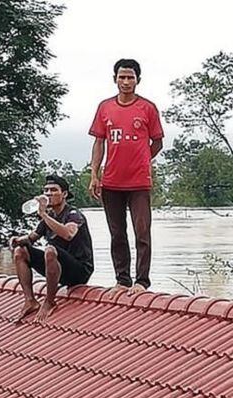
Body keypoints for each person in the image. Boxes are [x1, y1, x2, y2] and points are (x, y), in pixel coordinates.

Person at [88, 58, 164, 294]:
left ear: (137, 80)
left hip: (139, 182)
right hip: (111, 181)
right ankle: (122, 280)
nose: (126, 81)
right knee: (117, 233)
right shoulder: (105, 108)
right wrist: (94, 174)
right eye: (122, 77)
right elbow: (99, 142)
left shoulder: (147, 108)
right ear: (115, 79)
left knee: (142, 231)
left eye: (130, 77)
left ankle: (142, 281)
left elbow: (158, 142)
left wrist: (142, 159)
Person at [9, 175, 95, 322]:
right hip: (56, 266)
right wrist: (17, 240)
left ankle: (49, 301)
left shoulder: (73, 215)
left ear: (64, 194)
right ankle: (30, 300)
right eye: (46, 190)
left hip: (79, 270)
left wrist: (43, 214)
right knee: (20, 252)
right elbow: (32, 238)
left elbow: (68, 234)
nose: (49, 194)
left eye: (54, 190)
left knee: (50, 250)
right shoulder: (49, 217)